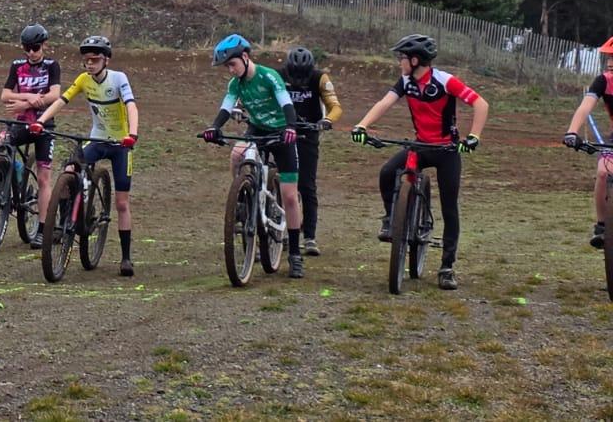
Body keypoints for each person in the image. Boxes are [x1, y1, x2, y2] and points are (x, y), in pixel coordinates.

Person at [351, 33, 489, 291]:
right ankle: (392, 219)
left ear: (415, 60)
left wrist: (473, 137)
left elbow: (480, 104)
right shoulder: (405, 81)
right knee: (387, 172)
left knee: (449, 208)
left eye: (402, 58)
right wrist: (362, 125)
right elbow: (384, 103)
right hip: (421, 146)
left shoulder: (445, 81)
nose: (399, 62)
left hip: (447, 150)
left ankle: (447, 268)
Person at [200, 34, 308, 279]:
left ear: (245, 57)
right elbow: (226, 107)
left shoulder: (269, 76)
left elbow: (286, 104)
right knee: (237, 154)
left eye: (232, 64)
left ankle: (294, 254)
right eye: (227, 67)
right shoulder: (235, 84)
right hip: (257, 130)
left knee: (290, 197)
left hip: (282, 132)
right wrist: (214, 127)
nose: (230, 70)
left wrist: (291, 127)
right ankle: (242, 197)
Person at [32, 35, 140, 276]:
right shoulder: (83, 79)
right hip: (97, 139)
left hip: (121, 144)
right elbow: (62, 101)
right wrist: (41, 120)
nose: (90, 64)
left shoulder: (118, 79)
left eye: (95, 60)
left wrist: (132, 134)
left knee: (122, 203)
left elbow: (131, 106)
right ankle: (63, 223)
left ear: (106, 60)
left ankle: (126, 257)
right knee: (69, 171)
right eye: (86, 60)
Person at [0, 24, 61, 249]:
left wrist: (26, 103)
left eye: (35, 48)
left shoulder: (52, 65)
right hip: (21, 123)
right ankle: (11, 177)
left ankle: (43, 229)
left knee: (44, 178)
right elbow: (5, 95)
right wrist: (29, 98)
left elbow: (55, 95)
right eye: (27, 48)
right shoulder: (17, 65)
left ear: (44, 45)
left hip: (44, 125)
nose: (31, 52)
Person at [279, 47, 343, 257]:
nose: (298, 80)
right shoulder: (278, 76)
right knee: (279, 182)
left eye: (303, 75)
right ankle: (280, 230)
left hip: (308, 133)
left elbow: (335, 106)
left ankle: (310, 237)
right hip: (282, 131)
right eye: (294, 75)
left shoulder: (320, 78)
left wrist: (327, 120)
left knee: (307, 185)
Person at [562, 36, 613, 249]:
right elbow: (585, 107)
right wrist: (572, 132)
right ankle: (602, 226)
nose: (610, 62)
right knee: (603, 172)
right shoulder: (603, 81)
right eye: (608, 58)